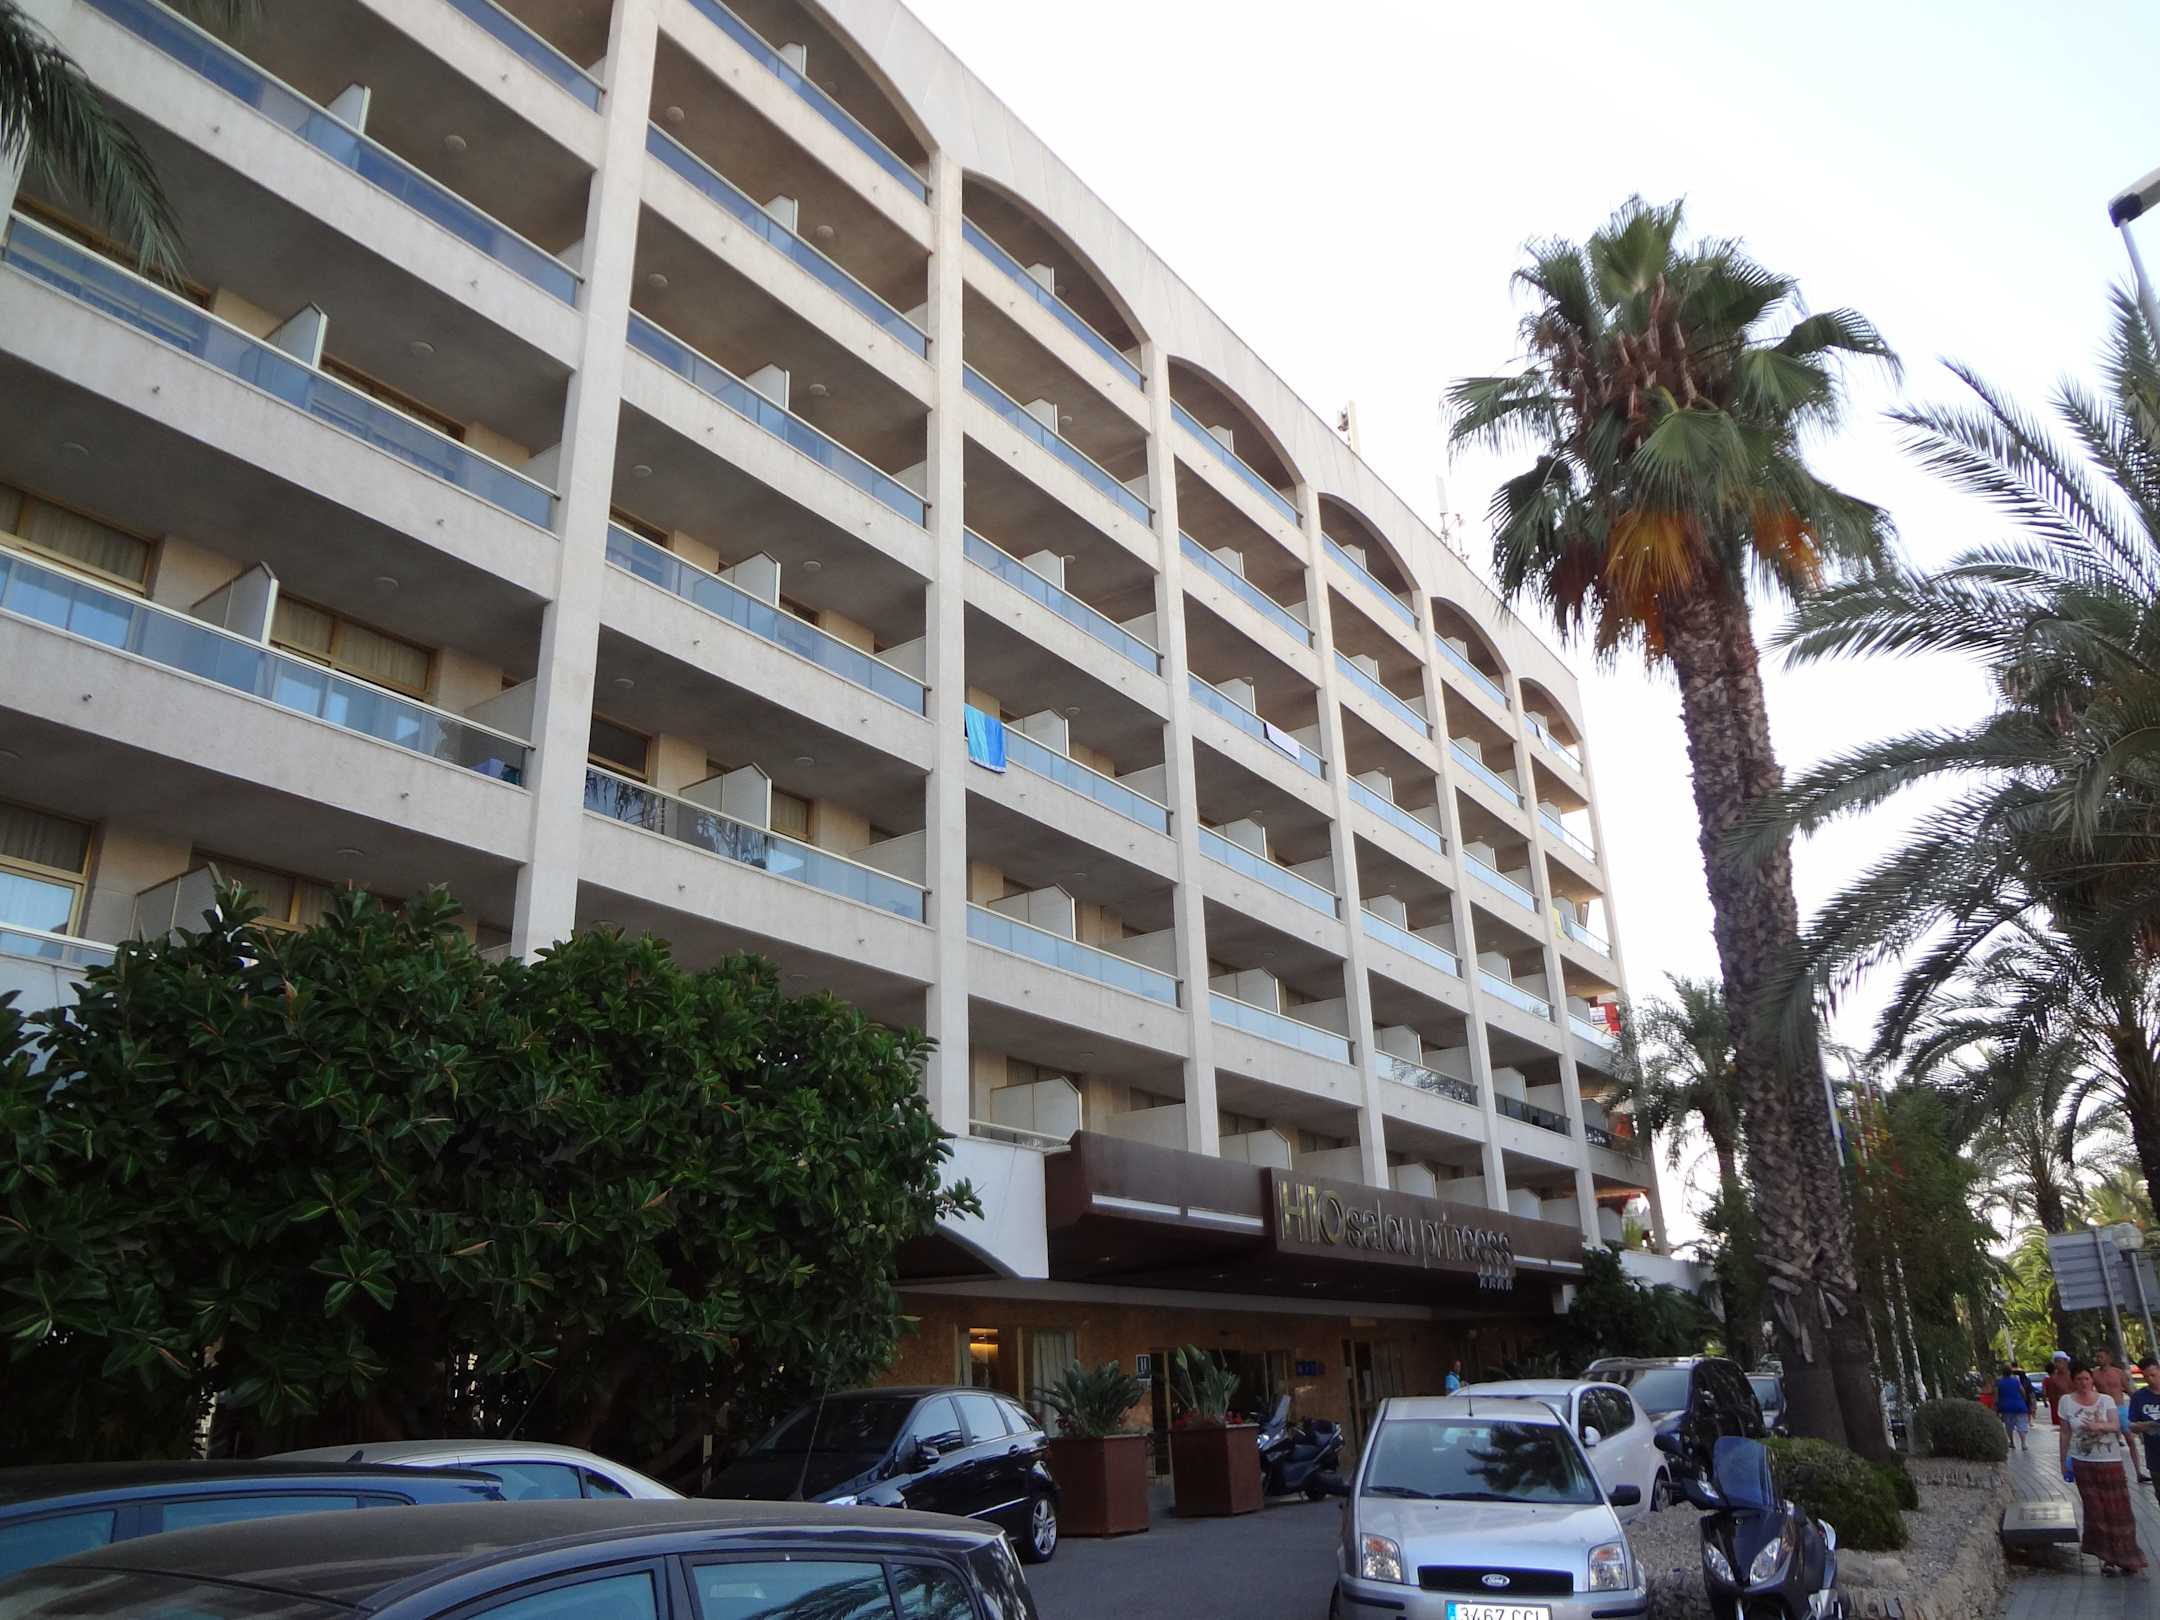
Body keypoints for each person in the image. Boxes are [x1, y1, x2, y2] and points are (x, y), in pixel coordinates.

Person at [2060, 1366, 2149, 1576]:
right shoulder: (2066, 1402)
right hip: (2083, 1461)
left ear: (2092, 1380)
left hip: (2109, 1461)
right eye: (2079, 1379)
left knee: (2118, 1509)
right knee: (2095, 1510)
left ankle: (2127, 1555)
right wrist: (2063, 1461)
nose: (2083, 1383)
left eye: (2086, 1378)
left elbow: (2116, 1425)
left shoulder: (2106, 1400)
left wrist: (2098, 1426)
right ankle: (2107, 1557)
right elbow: (2065, 1433)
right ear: (2073, 1381)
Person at [2130, 1357, 2160, 1499]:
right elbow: (2132, 1425)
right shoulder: (2139, 1397)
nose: (2150, 1379)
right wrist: (2141, 1426)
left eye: (2153, 1375)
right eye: (2146, 1376)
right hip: (2155, 1456)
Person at [1995, 1363, 2031, 1451]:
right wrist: (2024, 1400)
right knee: (2022, 1425)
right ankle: (2023, 1443)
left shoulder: (1999, 1382)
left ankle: (2012, 1442)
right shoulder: (2016, 1380)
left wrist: (1997, 1406)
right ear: (2011, 1372)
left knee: (2009, 1426)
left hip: (2006, 1407)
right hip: (2019, 1405)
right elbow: (2022, 1391)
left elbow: (1996, 1396)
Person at [2043, 1354, 2075, 1423]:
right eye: (2055, 1362)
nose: (2057, 1364)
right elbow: (2052, 1397)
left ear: (2066, 1362)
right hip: (2061, 1409)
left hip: (2076, 1408)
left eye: (2059, 1361)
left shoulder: (2074, 1375)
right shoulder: (2053, 1379)